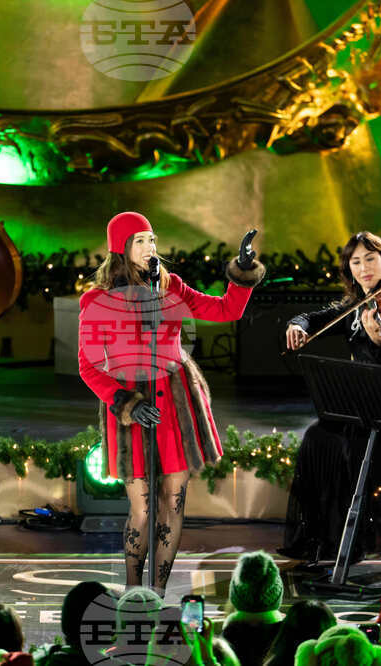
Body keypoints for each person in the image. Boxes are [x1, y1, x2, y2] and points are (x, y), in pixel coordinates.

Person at [78, 212, 265, 594]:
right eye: (140, 240)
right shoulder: (98, 300)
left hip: (175, 405)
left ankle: (157, 593)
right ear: (121, 248)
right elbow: (89, 366)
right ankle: (133, 592)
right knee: (143, 510)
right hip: (132, 408)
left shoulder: (170, 286)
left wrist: (242, 272)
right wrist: (124, 402)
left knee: (172, 506)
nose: (151, 248)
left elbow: (225, 310)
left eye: (152, 239)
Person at [281, 231, 381, 565]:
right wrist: (297, 324)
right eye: (356, 261)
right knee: (317, 438)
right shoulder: (356, 305)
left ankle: (356, 540)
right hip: (365, 404)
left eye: (370, 258)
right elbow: (314, 318)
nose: (364, 267)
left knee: (353, 446)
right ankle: (331, 539)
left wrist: (380, 339)